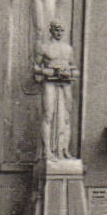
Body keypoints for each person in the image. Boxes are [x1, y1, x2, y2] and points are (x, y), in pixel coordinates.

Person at [34, 22, 78, 160]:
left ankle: (63, 150)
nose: (59, 33)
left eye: (62, 30)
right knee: (48, 115)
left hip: (65, 83)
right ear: (51, 31)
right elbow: (35, 68)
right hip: (50, 83)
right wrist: (45, 71)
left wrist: (69, 73)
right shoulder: (44, 47)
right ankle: (47, 150)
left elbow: (75, 69)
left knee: (66, 117)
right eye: (57, 30)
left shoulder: (68, 49)